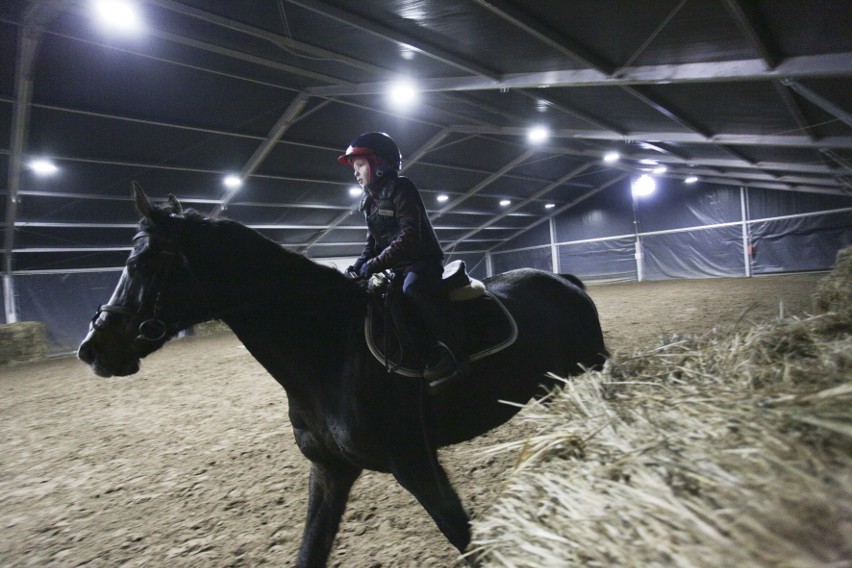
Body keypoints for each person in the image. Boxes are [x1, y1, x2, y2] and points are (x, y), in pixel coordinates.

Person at [339, 132, 467, 386]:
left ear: (379, 164)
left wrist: (373, 265)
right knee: (390, 301)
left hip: (422, 261)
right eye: (354, 168)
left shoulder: (401, 187)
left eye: (360, 165)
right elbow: (372, 244)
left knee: (413, 290)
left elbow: (409, 235)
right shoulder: (368, 202)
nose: (355, 172)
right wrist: (356, 267)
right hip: (397, 267)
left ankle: (452, 354)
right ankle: (416, 358)